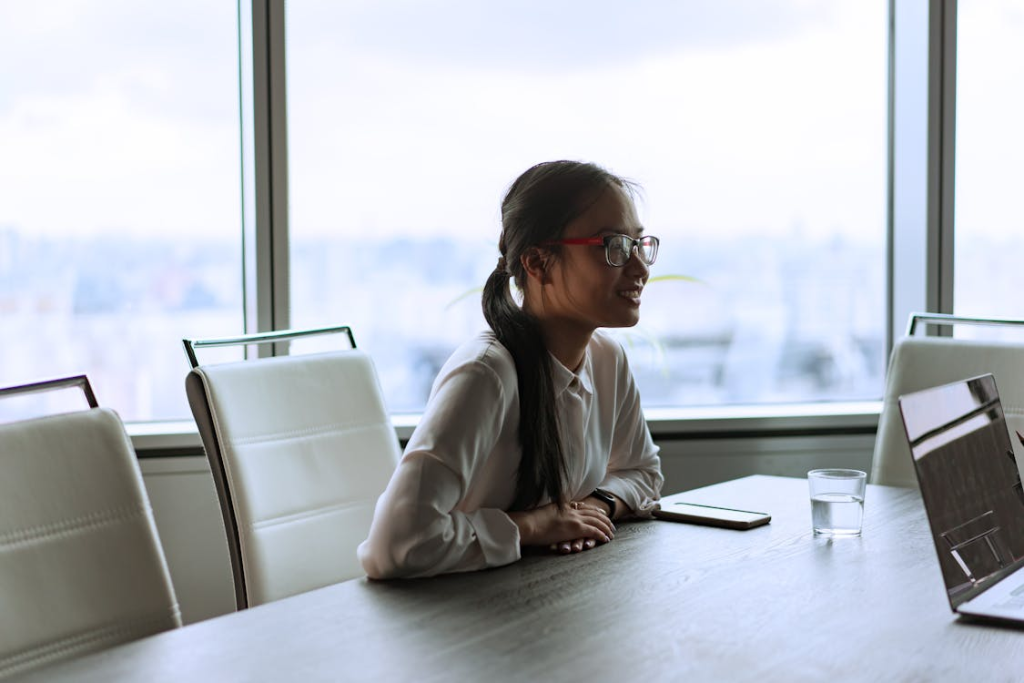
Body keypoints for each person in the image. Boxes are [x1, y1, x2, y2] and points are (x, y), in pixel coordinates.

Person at [358, 160, 664, 579]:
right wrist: (536, 526)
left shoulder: (607, 359)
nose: (640, 267)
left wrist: (594, 508)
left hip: (541, 598)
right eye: (612, 244)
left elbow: (643, 471)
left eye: (636, 244)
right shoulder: (485, 375)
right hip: (457, 623)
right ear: (537, 263)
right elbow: (394, 546)